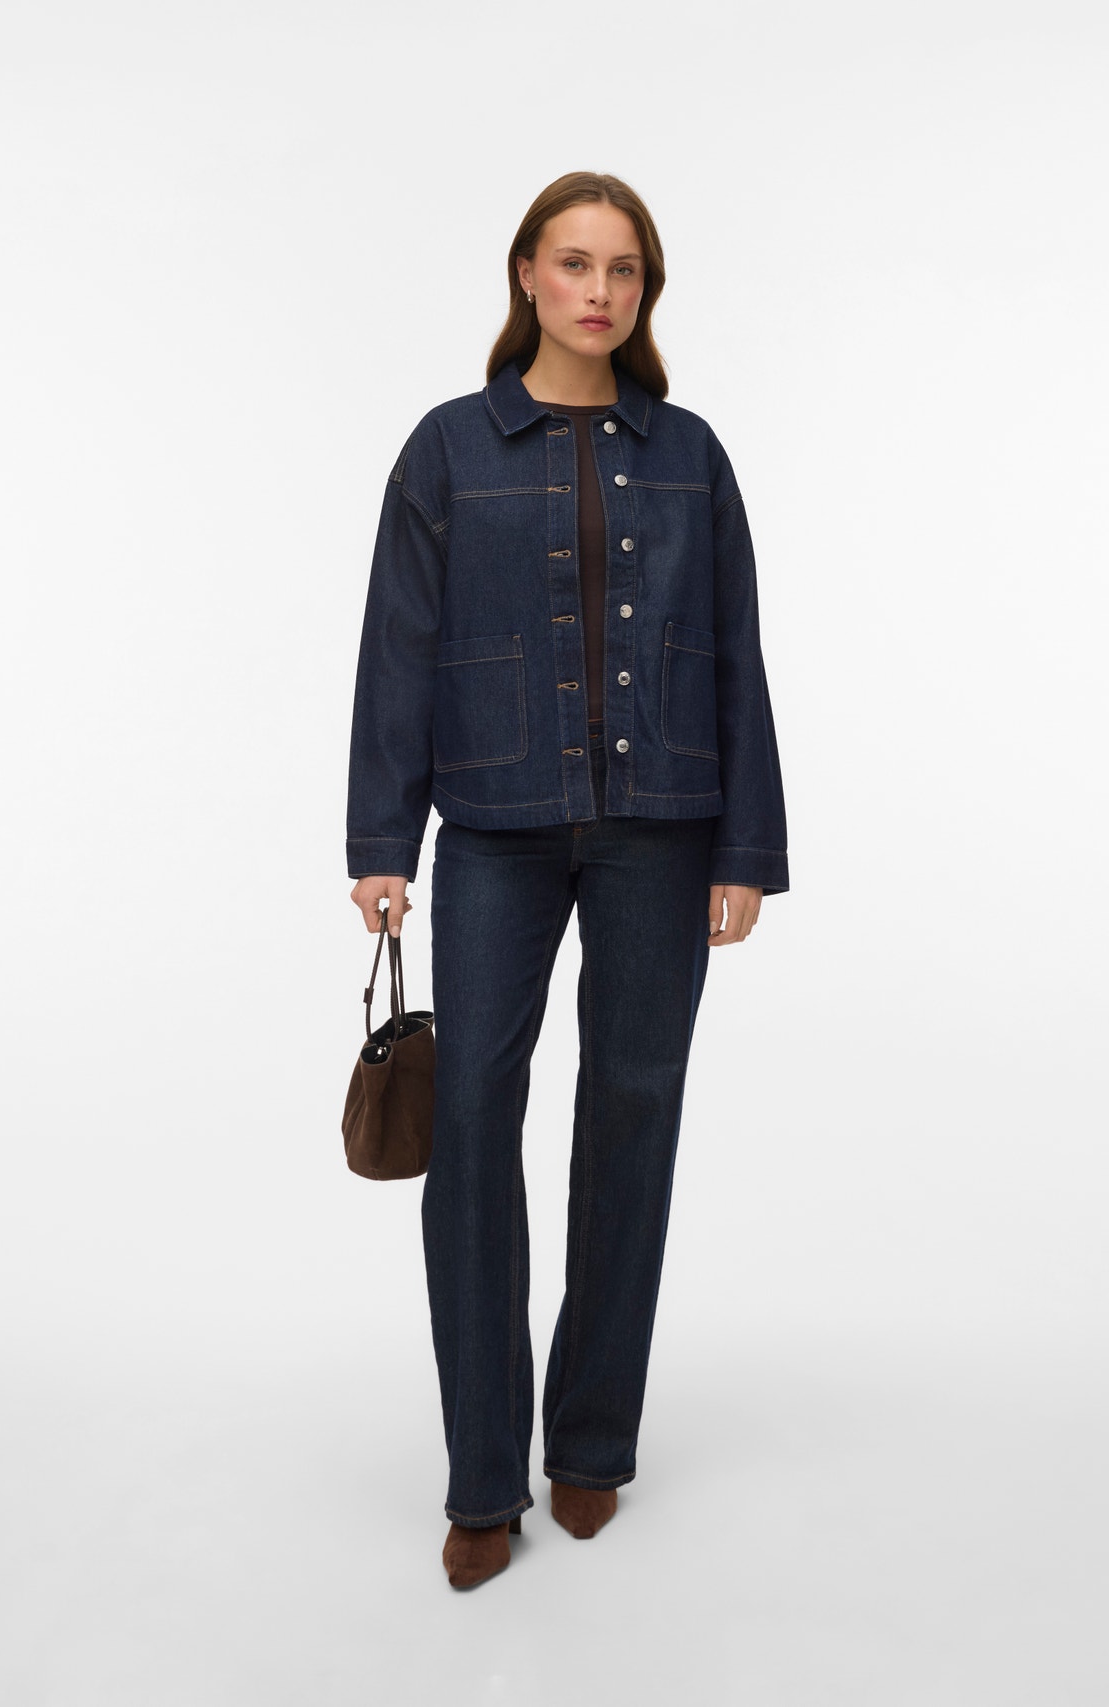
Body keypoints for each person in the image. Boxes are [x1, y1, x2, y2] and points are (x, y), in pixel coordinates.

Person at [345, 170, 789, 1589]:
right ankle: (485, 1476)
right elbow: (398, 647)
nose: (600, 291)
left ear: (645, 291)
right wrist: (381, 841)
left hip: (666, 824)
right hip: (493, 825)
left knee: (633, 1117)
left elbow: (737, 653)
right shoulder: (448, 449)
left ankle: (591, 1443)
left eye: (625, 270)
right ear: (528, 275)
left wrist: (748, 849)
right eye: (576, 263)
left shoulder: (692, 454)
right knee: (474, 1121)